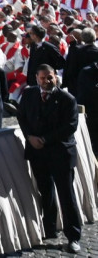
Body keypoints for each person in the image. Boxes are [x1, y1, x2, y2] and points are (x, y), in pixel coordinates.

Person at [17, 64, 83, 253]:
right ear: (36, 78)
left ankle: (73, 236)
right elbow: (22, 117)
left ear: (56, 77)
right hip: (37, 153)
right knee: (45, 191)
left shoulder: (66, 99)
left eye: (50, 77)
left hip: (60, 153)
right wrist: (29, 136)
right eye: (43, 78)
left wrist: (45, 140)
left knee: (66, 195)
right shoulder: (29, 95)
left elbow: (70, 126)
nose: (47, 81)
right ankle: (49, 228)